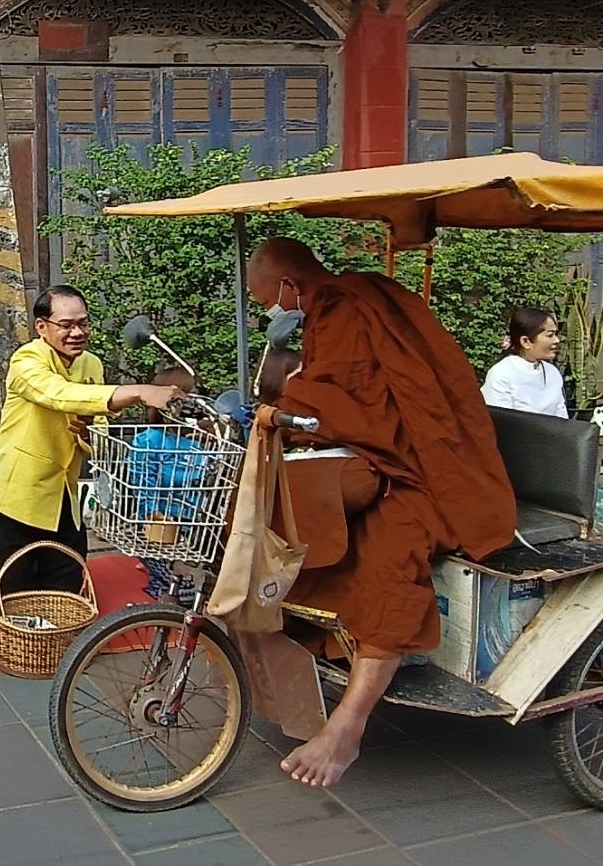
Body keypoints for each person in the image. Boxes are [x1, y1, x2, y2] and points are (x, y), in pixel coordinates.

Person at [244, 237, 516, 788]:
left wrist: (286, 407)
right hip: (377, 455)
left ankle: (349, 725)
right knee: (310, 534)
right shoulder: (337, 307)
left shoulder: (346, 306)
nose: (272, 312)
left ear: (291, 285)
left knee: (388, 563)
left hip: (420, 467)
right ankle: (334, 650)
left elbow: (351, 404)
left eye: (270, 300)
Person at [0, 285, 184, 595]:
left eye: (83, 323)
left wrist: (88, 433)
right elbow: (57, 394)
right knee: (13, 590)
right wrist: (139, 392)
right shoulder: (26, 360)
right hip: (16, 492)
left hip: (64, 492)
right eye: (66, 325)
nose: (77, 332)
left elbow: (98, 428)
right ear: (42, 327)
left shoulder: (91, 364)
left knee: (68, 585)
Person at [132, 364, 198, 602]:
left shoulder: (196, 442)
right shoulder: (150, 440)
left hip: (193, 523)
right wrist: (153, 516)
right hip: (163, 526)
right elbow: (143, 482)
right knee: (173, 583)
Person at [482, 307, 569, 419]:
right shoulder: (501, 374)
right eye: (550, 335)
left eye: (556, 334)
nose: (556, 340)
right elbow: (499, 422)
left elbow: (562, 419)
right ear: (525, 341)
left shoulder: (552, 372)